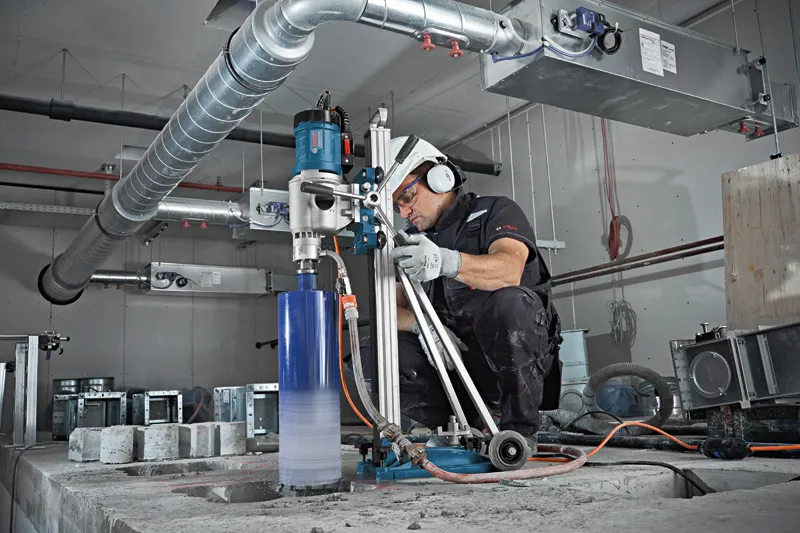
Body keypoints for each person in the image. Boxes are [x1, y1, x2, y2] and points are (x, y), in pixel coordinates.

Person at [386, 136, 562, 455]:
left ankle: (517, 430)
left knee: (509, 303)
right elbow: (392, 309)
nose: (404, 211)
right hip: (455, 361)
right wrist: (426, 330)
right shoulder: (410, 241)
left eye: (408, 196)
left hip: (515, 358)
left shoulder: (495, 210)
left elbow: (509, 270)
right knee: (381, 344)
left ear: (441, 178)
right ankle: (440, 432)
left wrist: (446, 261)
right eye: (397, 205)